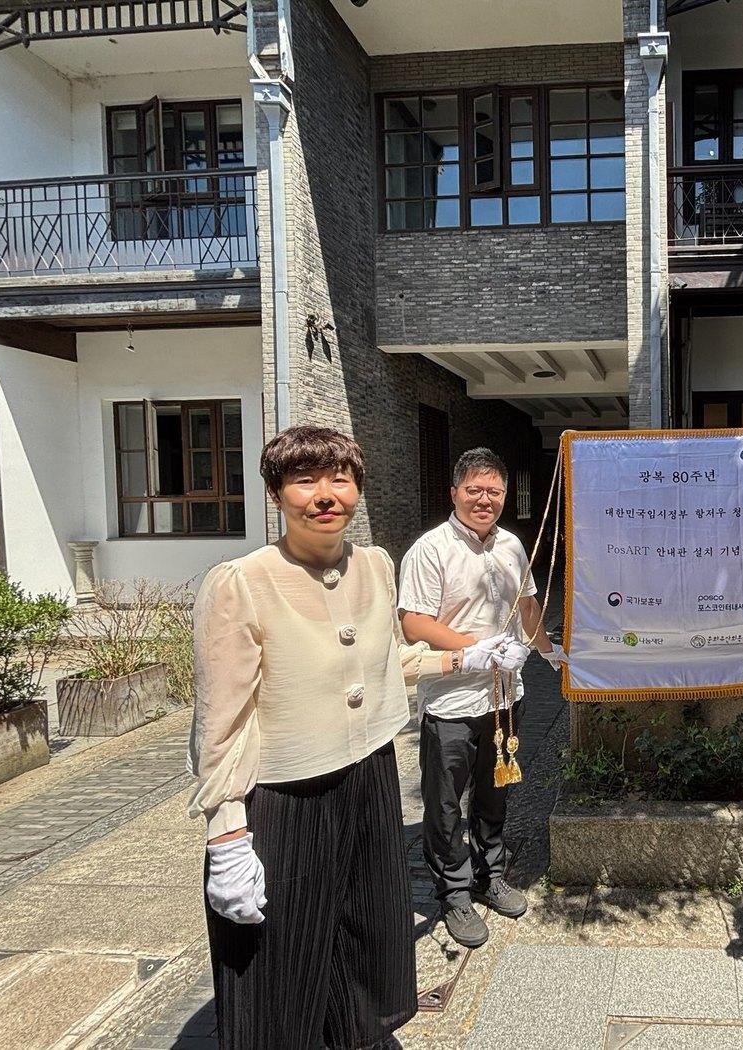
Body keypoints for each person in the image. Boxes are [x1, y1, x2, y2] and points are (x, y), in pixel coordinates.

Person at [188, 425, 512, 1050]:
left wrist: (467, 659)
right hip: (284, 795)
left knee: (365, 931)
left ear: (357, 490)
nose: (325, 495)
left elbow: (389, 659)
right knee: (284, 953)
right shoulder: (240, 581)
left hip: (368, 779)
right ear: (277, 494)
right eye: (305, 480)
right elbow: (220, 723)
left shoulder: (373, 565)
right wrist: (226, 831)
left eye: (340, 479)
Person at [397, 447, 563, 949]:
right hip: (451, 701)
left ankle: (490, 875)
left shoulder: (513, 545)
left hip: (505, 697)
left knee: (495, 794)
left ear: (504, 495)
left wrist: (550, 652)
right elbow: (414, 622)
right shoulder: (430, 549)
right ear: (454, 494)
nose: (484, 500)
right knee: (445, 805)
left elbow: (528, 605)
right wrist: (477, 648)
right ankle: (455, 893)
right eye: (474, 490)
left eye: (493, 491)